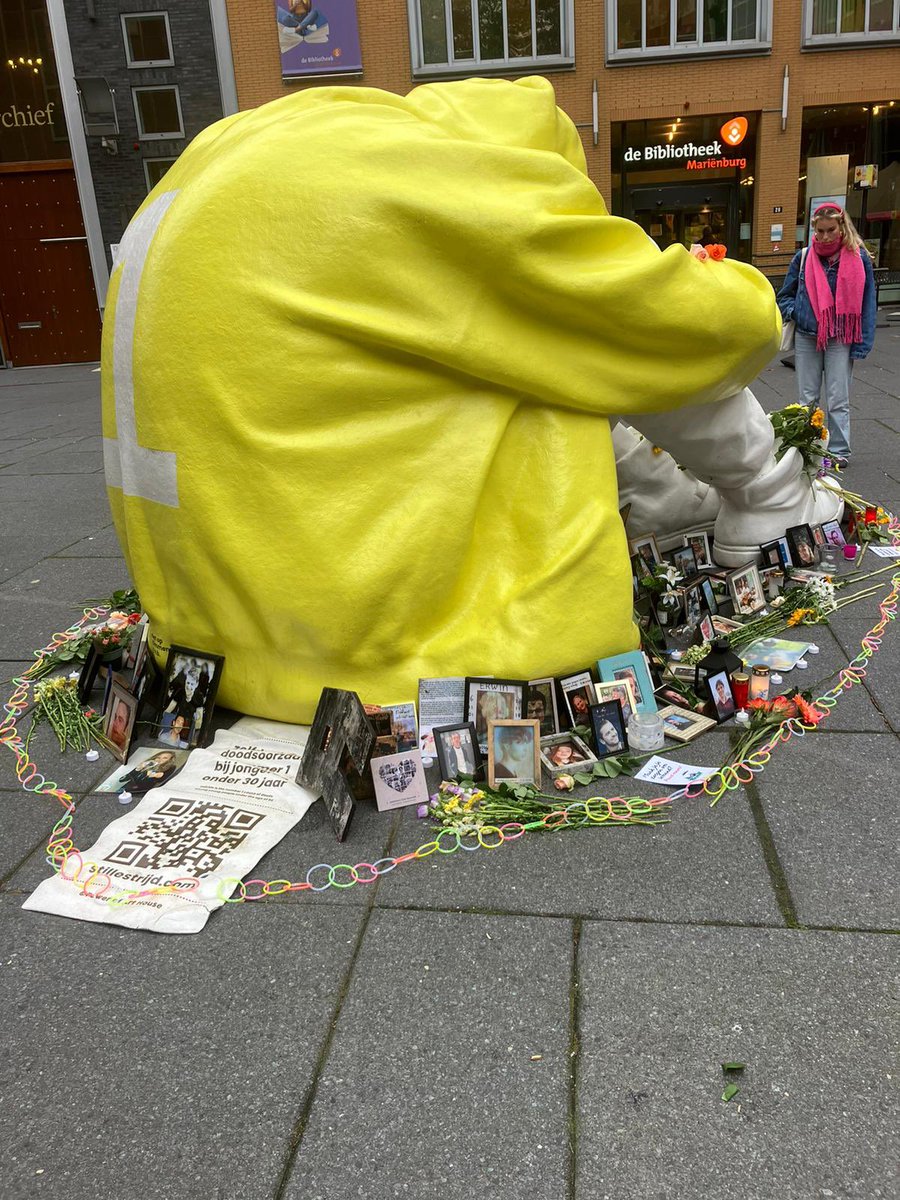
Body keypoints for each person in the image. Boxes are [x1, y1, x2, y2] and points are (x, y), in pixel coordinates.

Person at [777, 204, 876, 470]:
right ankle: (808, 446)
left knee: (838, 398)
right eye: (819, 231)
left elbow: (867, 303)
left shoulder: (858, 258)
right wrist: (796, 311)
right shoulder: (804, 257)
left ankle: (839, 451)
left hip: (841, 336)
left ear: (841, 227)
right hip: (808, 336)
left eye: (830, 230)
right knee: (807, 398)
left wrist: (863, 342)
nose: (825, 236)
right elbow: (784, 295)